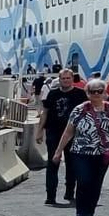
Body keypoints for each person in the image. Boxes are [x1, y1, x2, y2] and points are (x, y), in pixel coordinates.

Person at [55, 79, 109, 216]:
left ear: (104, 92)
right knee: (83, 181)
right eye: (92, 91)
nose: (96, 94)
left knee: (96, 184)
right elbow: (69, 131)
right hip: (81, 152)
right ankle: (80, 214)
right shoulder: (79, 109)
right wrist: (58, 151)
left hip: (103, 153)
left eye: (99, 91)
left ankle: (89, 215)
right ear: (87, 93)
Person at [39, 68, 81, 207]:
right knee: (52, 162)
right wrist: (39, 131)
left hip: (73, 134)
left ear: (72, 79)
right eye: (63, 78)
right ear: (59, 79)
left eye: (68, 78)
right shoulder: (52, 94)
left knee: (71, 164)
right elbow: (45, 112)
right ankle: (50, 195)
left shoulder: (80, 95)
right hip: (53, 132)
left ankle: (69, 192)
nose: (66, 81)